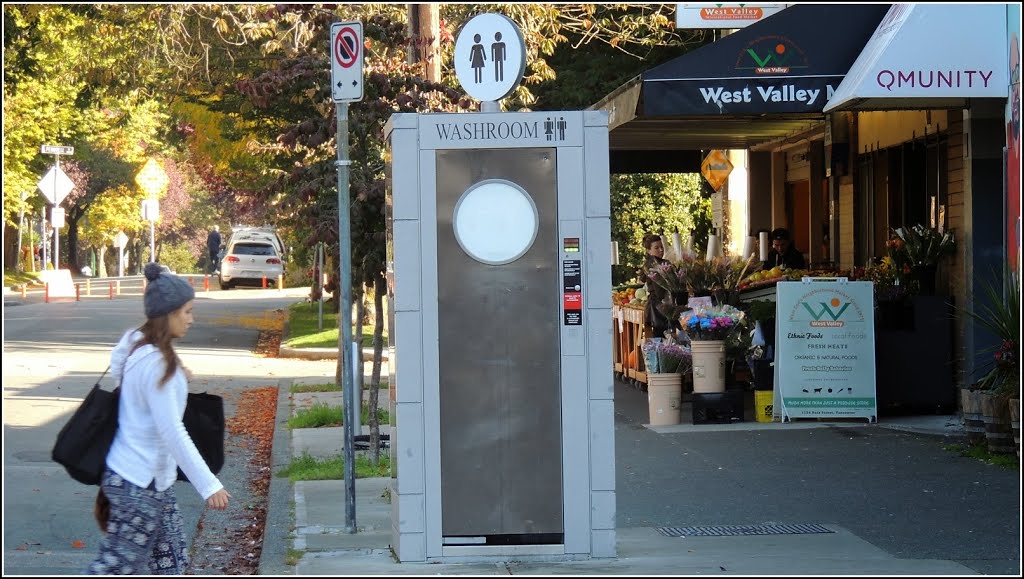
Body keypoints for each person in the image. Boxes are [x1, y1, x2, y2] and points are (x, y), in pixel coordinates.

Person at [86, 262, 230, 575]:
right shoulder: (160, 368)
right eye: (187, 312)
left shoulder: (137, 346)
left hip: (148, 482)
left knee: (172, 564)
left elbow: (118, 365)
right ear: (168, 314)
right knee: (113, 568)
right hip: (139, 486)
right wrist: (208, 485)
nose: (192, 319)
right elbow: (173, 433)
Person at [640, 233, 672, 339]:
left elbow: (641, 279)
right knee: (659, 339)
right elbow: (659, 291)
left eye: (662, 247)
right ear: (649, 251)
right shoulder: (650, 265)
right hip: (657, 308)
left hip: (663, 306)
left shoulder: (665, 263)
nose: (661, 250)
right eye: (656, 248)